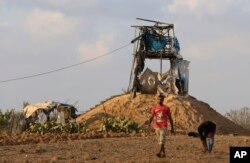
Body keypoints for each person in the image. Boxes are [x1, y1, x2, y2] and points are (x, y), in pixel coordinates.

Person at [148, 93, 174, 158]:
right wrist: (149, 124)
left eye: (161, 99)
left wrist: (172, 127)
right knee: (160, 141)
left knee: (162, 140)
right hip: (157, 126)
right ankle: (164, 153)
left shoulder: (166, 108)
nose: (160, 100)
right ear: (157, 100)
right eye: (159, 99)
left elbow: (170, 118)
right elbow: (151, 116)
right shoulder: (154, 108)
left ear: (163, 100)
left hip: (164, 126)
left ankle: (160, 152)